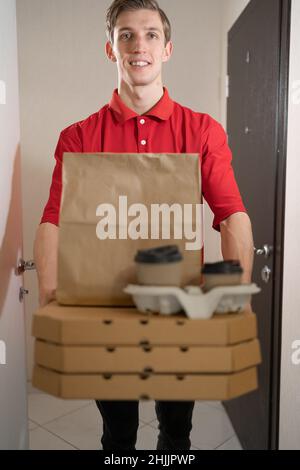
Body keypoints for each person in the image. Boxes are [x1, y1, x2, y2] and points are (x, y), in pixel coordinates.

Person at [34, 0, 254, 451]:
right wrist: (50, 300)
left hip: (177, 310)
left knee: (176, 433)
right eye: (127, 35)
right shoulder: (79, 137)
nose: (140, 45)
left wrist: (238, 298)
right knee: (118, 435)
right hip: (103, 314)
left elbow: (231, 214)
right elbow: (53, 221)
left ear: (168, 48)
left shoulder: (202, 132)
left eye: (151, 34)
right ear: (111, 50)